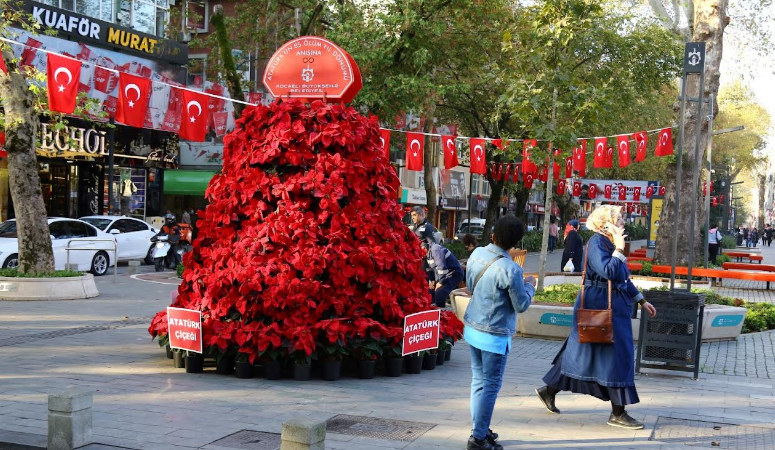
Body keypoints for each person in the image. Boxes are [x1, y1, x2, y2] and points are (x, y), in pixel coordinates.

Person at [535, 205, 657, 430]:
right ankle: (618, 413)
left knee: (582, 353)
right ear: (605, 223)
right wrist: (620, 249)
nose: (623, 221)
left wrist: (641, 300)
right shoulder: (597, 243)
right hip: (598, 306)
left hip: (611, 306)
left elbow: (623, 277)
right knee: (615, 356)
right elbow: (609, 271)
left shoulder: (609, 243)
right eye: (618, 218)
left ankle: (549, 390)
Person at [464, 216, 536, 450]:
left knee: (479, 381)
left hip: (473, 326)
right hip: (494, 335)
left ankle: (480, 428)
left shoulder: (476, 254)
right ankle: (478, 438)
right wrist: (530, 285)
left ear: (494, 235)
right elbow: (521, 305)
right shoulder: (512, 269)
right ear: (514, 243)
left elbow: (469, 285)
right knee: (491, 385)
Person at [421, 237, 465, 307]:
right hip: (445, 276)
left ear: (424, 248)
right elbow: (429, 269)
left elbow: (442, 268)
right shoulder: (426, 255)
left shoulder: (436, 250)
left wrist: (440, 283)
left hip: (454, 274)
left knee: (439, 293)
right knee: (431, 292)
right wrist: (432, 280)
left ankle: (442, 311)